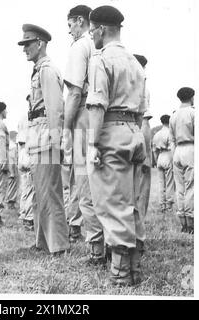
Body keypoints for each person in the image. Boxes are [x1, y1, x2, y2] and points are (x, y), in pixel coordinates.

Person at [86, 6, 147, 285]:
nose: (90, 33)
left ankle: (121, 274)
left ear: (101, 29)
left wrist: (92, 143)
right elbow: (142, 109)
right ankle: (132, 267)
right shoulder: (134, 62)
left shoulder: (101, 59)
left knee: (111, 203)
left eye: (92, 28)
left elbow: (97, 105)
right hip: (133, 131)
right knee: (131, 203)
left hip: (110, 132)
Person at [18, 23, 70, 254]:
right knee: (41, 192)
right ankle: (43, 242)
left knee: (50, 192)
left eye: (27, 44)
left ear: (40, 43)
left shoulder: (47, 70)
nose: (24, 48)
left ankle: (58, 245)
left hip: (46, 139)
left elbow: (55, 109)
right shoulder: (39, 70)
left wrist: (56, 141)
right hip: (38, 138)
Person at [63, 5, 105, 262]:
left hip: (82, 115)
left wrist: (66, 128)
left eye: (69, 25)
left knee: (83, 182)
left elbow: (75, 92)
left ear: (80, 21)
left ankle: (96, 247)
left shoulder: (80, 46)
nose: (69, 30)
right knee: (100, 181)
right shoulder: (100, 45)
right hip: (101, 116)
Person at [169, 87, 195, 234]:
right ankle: (191, 223)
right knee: (191, 187)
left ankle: (183, 222)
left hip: (177, 151)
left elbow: (171, 139)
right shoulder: (193, 112)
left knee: (180, 188)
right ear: (192, 98)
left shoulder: (174, 115)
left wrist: (174, 155)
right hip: (190, 148)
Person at [134, 54, 152, 218]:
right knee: (143, 184)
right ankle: (139, 224)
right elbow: (145, 123)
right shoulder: (143, 87)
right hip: (139, 139)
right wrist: (147, 154)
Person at [153, 115, 175, 213]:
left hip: (160, 157)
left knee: (161, 183)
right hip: (168, 155)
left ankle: (162, 205)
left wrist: (156, 160)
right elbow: (172, 147)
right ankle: (169, 206)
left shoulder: (157, 134)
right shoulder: (170, 133)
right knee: (169, 182)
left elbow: (154, 150)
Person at [17, 112, 35, 231]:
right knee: (30, 190)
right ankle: (29, 219)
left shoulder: (22, 118)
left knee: (25, 188)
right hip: (29, 151)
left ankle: (23, 213)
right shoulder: (32, 117)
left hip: (22, 152)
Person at [6, 130, 19, 210]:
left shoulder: (10, 145)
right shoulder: (13, 146)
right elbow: (11, 159)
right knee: (12, 186)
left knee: (11, 186)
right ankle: (11, 203)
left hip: (12, 167)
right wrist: (12, 172)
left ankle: (11, 202)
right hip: (12, 167)